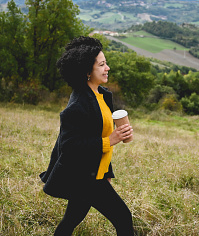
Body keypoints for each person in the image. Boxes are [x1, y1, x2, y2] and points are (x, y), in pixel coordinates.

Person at [40, 36, 135, 236]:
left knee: (70, 221)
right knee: (124, 219)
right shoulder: (77, 106)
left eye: (106, 63)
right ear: (87, 72)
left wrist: (106, 171)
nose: (107, 68)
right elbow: (70, 147)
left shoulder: (101, 94)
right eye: (101, 65)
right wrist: (111, 140)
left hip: (92, 174)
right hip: (84, 178)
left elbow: (98, 135)